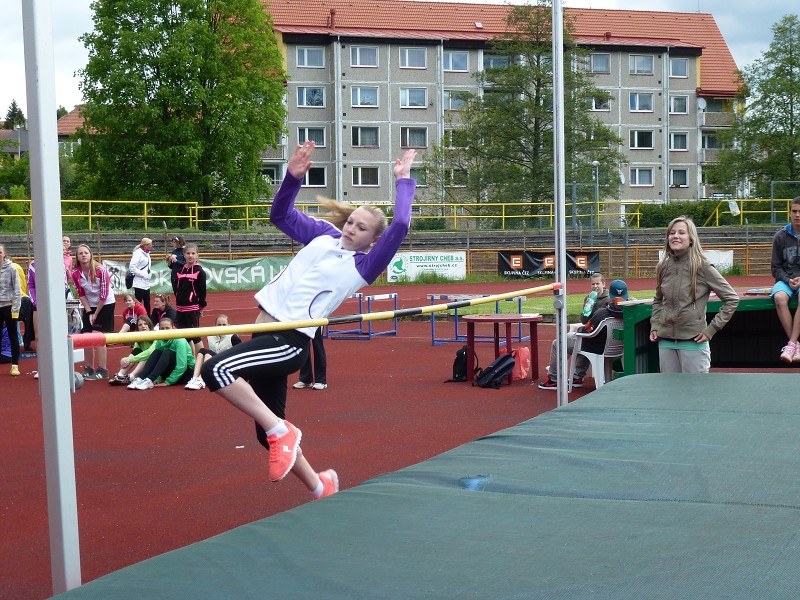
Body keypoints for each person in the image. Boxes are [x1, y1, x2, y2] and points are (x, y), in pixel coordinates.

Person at [200, 141, 416, 502]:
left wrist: (403, 181)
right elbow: (280, 217)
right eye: (351, 222)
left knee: (216, 371)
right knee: (266, 430)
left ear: (373, 240)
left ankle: (283, 433)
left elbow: (402, 224)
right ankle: (320, 486)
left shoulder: (364, 265)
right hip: (264, 331)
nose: (350, 230)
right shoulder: (322, 236)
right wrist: (292, 178)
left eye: (361, 229)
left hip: (287, 341)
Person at [649, 216, 739, 373]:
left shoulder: (703, 267)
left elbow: (731, 299)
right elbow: (658, 300)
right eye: (672, 232)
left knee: (695, 394)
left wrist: (711, 329)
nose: (675, 236)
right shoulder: (663, 267)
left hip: (693, 342)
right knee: (669, 394)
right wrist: (655, 325)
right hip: (665, 342)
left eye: (681, 232)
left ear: (691, 239)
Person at [538, 272, 611, 389]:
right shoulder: (589, 298)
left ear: (604, 284)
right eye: (593, 284)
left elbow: (591, 324)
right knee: (583, 337)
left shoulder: (608, 300)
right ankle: (577, 376)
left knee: (558, 343)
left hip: (594, 338)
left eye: (598, 283)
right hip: (595, 338)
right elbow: (584, 320)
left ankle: (553, 379)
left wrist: (583, 327)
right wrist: (588, 307)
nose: (595, 286)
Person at [72, 243, 116, 380]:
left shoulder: (100, 270)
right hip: (89, 305)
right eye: (80, 253)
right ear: (77, 257)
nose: (83, 255)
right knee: (86, 337)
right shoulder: (76, 274)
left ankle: (103, 369)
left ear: (91, 255)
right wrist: (89, 312)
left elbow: (103, 294)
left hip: (105, 304)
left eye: (86, 252)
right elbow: (81, 293)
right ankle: (89, 367)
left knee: (97, 336)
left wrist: (96, 314)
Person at [127, 317, 195, 390]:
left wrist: (168, 381)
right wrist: (158, 379)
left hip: (186, 373)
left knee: (167, 352)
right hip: (170, 370)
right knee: (156, 352)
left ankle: (150, 379)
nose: (165, 331)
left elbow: (182, 366)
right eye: (162, 329)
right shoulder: (160, 339)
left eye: (167, 328)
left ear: (173, 328)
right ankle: (141, 378)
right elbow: (157, 360)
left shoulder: (179, 340)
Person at [771, 196, 800, 362]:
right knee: (780, 298)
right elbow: (775, 268)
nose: (797, 215)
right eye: (794, 211)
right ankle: (794, 345)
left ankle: (792, 343)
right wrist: (788, 280)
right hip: (786, 280)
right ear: (789, 213)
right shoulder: (780, 237)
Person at [185, 313, 242, 390]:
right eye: (219, 325)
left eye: (224, 325)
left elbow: (239, 354)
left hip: (227, 363)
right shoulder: (210, 336)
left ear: (229, 325)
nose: (221, 327)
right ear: (215, 326)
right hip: (214, 362)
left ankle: (202, 379)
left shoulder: (233, 337)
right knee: (202, 351)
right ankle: (195, 378)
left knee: (209, 353)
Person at [174, 243, 206, 355]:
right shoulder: (181, 270)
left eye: (193, 253)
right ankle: (190, 359)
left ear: (197, 255)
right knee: (184, 336)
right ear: (184, 255)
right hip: (180, 308)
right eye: (188, 253)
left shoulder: (199, 271)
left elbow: (203, 291)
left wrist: (201, 307)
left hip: (192, 308)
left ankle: (201, 359)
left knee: (195, 336)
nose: (190, 256)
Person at [109, 316, 156, 386]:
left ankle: (131, 376)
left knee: (146, 355)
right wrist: (125, 360)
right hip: (147, 365)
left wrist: (131, 360)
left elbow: (150, 351)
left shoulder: (156, 335)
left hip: (158, 365)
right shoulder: (139, 338)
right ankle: (120, 374)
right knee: (137, 351)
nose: (143, 326)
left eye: (145, 324)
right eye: (140, 325)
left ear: (149, 325)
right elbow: (134, 352)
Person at [0, 245, 21, 376]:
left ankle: (15, 365)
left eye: (0, 252)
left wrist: (15, 309)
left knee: (13, 336)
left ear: (4, 253)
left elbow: (17, 291)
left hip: (8, 306)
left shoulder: (12, 268)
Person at [129, 237, 153, 315]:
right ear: (145, 245)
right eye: (150, 245)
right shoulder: (138, 254)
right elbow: (132, 268)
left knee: (147, 302)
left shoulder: (147, 253)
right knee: (138, 302)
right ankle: (137, 317)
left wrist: (148, 274)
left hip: (146, 283)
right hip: (138, 283)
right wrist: (143, 275)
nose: (151, 246)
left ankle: (148, 319)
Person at [24, 259, 37, 352]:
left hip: (55, 305)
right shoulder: (33, 264)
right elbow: (30, 285)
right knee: (38, 336)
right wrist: (35, 301)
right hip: (38, 305)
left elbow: (64, 284)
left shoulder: (58, 263)